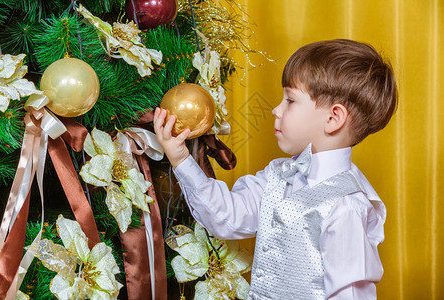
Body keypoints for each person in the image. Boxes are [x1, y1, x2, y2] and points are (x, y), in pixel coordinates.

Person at [154, 39, 398, 299]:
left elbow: (349, 295)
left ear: (333, 118)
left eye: (290, 101)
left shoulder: (346, 205)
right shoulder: (279, 174)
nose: (275, 109)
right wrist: (181, 158)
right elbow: (226, 217)